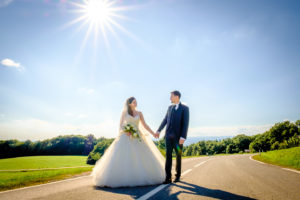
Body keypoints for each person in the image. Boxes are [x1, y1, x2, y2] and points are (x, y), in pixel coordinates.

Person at [92, 97, 165, 188]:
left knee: (142, 156)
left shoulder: (140, 113)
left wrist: (153, 133)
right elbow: (121, 125)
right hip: (126, 136)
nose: (136, 103)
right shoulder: (124, 113)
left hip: (138, 136)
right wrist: (126, 131)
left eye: (136, 102)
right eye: (134, 102)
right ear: (129, 103)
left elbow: (145, 125)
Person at [155, 90, 189, 184]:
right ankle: (168, 177)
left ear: (176, 96)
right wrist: (158, 130)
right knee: (168, 156)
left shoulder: (185, 108)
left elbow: (185, 123)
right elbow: (165, 120)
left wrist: (183, 137)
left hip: (178, 138)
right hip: (168, 137)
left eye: (171, 96)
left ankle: (177, 176)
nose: (170, 98)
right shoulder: (170, 108)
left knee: (178, 155)